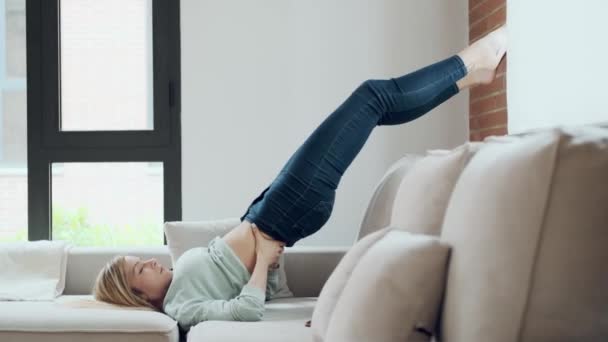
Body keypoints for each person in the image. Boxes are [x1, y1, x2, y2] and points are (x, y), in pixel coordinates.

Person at [94, 25, 508, 332]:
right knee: (370, 98)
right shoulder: (181, 309)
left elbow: (257, 284)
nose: (148, 260)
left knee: (373, 106)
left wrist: (267, 264)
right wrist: (263, 263)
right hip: (284, 212)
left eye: (139, 260)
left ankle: (469, 76)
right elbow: (245, 310)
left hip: (270, 210)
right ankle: (472, 61)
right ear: (138, 297)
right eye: (139, 270)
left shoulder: (181, 281)